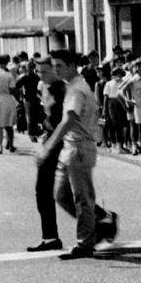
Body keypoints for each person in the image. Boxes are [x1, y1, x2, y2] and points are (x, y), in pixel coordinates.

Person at [42, 51, 118, 260]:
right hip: (71, 148)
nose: (56, 70)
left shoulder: (77, 89)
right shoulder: (72, 86)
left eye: (60, 66)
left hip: (79, 148)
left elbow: (69, 120)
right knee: (61, 194)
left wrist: (48, 147)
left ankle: (85, 243)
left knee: (81, 198)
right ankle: (101, 222)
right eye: (54, 66)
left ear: (72, 65)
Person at [27, 55, 67, 252]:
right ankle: (50, 237)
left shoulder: (63, 89)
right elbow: (45, 113)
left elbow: (64, 121)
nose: (41, 75)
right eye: (38, 71)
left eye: (45, 71)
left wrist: (49, 144)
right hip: (49, 138)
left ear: (55, 70)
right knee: (44, 189)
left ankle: (101, 218)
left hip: (62, 142)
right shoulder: (42, 87)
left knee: (65, 192)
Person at [120, 58, 141, 156]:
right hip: (139, 107)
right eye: (139, 67)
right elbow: (121, 90)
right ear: (137, 68)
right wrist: (127, 100)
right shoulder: (133, 79)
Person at [102, 66, 129, 152]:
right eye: (116, 74)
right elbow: (106, 97)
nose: (118, 76)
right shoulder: (109, 83)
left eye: (119, 74)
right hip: (112, 104)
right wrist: (104, 109)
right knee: (113, 124)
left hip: (121, 103)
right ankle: (114, 145)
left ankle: (121, 145)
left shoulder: (124, 83)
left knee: (122, 125)